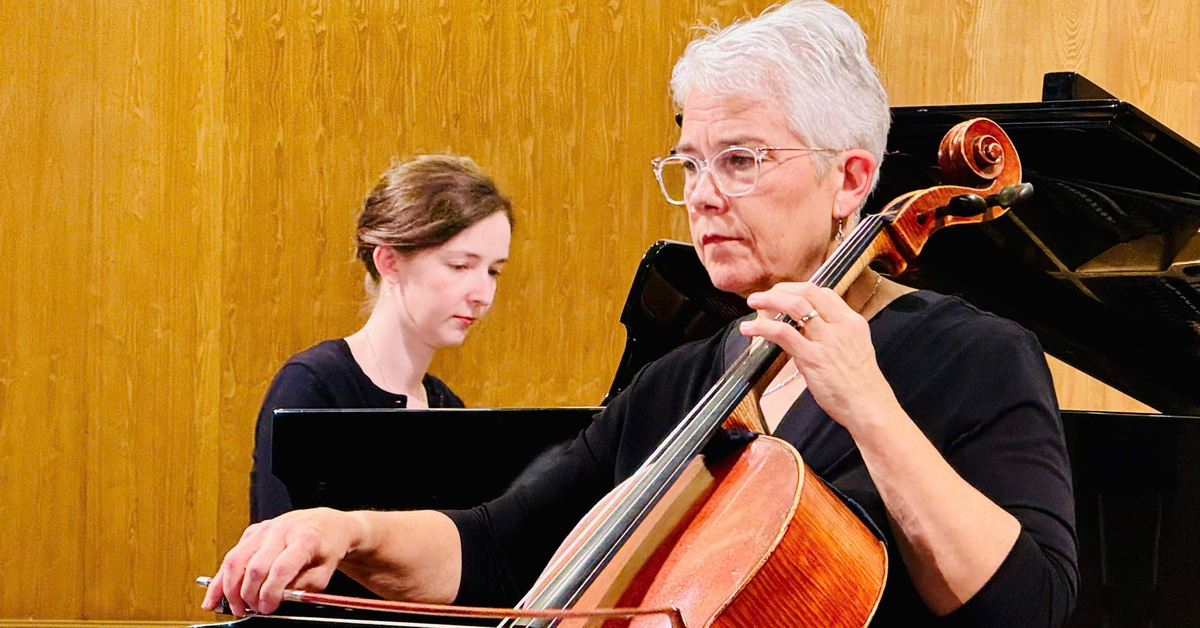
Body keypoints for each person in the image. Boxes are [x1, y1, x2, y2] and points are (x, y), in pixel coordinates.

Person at [207, 2, 1077, 625]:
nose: (702, 196)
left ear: (850, 179)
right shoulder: (686, 383)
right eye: (689, 163)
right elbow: (501, 549)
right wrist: (344, 530)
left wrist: (869, 407)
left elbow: (1029, 604)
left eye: (739, 160)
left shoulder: (976, 359)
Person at [250, 154, 513, 522]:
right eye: (460, 266)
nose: (483, 295)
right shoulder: (313, 388)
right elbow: (284, 557)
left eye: (493, 271)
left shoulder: (448, 409)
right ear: (389, 263)